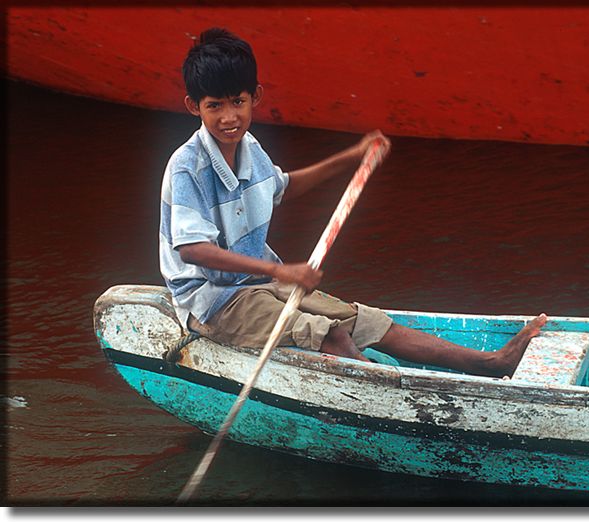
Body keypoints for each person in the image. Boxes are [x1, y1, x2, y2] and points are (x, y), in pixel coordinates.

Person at [159, 27, 547, 378]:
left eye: (237, 102)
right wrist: (280, 271)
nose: (229, 117)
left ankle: (492, 362)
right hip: (212, 303)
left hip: (260, 284)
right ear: (194, 106)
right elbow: (194, 250)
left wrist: (351, 157)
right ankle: (397, 405)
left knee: (370, 323)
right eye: (215, 107)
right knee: (330, 334)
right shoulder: (187, 167)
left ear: (255, 97)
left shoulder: (250, 148)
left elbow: (283, 188)